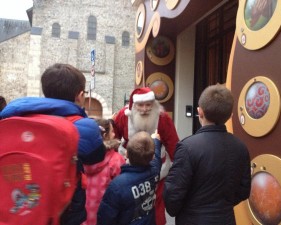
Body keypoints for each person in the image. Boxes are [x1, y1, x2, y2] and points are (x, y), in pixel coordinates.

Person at [0, 63, 106, 225]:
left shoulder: (11, 118)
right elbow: (96, 156)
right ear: (80, 95)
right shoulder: (84, 127)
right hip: (63, 212)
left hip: (13, 207)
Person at [163, 84, 251, 225]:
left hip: (192, 220)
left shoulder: (187, 148)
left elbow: (173, 195)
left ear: (200, 112)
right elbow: (243, 190)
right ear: (230, 116)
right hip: (226, 219)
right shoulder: (241, 147)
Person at [113, 87, 179, 225]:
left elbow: (173, 144)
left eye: (148, 105)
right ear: (133, 105)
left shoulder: (163, 118)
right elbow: (114, 137)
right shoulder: (123, 116)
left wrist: (177, 170)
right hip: (128, 169)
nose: (144, 109)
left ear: (153, 104)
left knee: (155, 207)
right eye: (141, 105)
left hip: (156, 171)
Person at [97, 130, 162, 225]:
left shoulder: (117, 186)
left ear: (126, 154)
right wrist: (156, 140)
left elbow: (105, 219)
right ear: (151, 157)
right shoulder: (154, 171)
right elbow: (156, 157)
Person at [82, 118, 125, 225]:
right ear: (105, 135)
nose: (114, 134)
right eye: (112, 131)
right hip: (105, 217)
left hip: (83, 217)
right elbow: (122, 193)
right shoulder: (116, 160)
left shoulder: (81, 158)